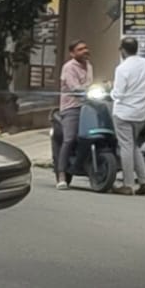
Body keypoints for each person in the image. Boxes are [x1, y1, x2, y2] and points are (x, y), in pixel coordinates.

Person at [111, 36, 145, 195]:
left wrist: (110, 91)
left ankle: (128, 184)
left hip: (124, 112)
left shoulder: (122, 68)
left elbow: (118, 93)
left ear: (123, 50)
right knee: (134, 146)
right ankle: (144, 180)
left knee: (126, 146)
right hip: (140, 113)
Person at [55, 39, 92, 190]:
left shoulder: (89, 65)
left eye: (86, 48)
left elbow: (90, 84)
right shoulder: (69, 67)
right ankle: (62, 174)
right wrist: (85, 91)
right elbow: (74, 87)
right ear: (72, 53)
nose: (85, 51)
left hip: (88, 106)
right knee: (69, 139)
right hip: (72, 107)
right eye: (80, 49)